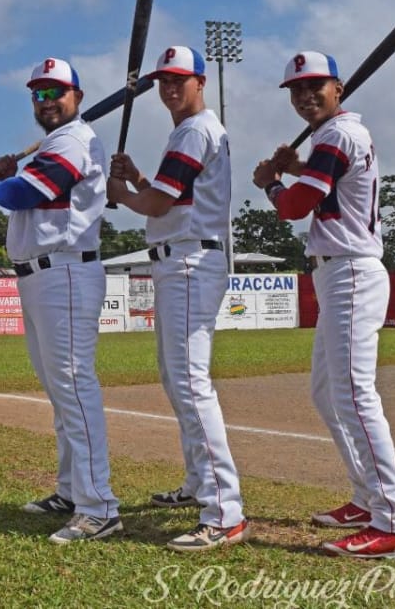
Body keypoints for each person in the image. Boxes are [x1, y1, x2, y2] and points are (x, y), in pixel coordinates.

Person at [253, 51, 395, 560]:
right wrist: (296, 166)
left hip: (349, 269)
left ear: (338, 88)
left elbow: (296, 207)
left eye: (315, 86)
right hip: (338, 272)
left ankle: (394, 524)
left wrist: (273, 183)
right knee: (327, 392)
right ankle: (368, 498)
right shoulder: (335, 139)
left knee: (352, 394)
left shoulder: (338, 134)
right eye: (297, 90)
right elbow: (329, 187)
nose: (305, 96)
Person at [0, 58, 121, 543]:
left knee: (75, 388)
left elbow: (21, 194)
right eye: (39, 94)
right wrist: (6, 174)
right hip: (42, 275)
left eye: (57, 92)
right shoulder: (58, 142)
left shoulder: (74, 140)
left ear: (77, 96)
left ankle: (99, 507)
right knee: (61, 393)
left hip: (67, 271)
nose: (48, 101)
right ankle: (72, 490)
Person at [106, 47, 248, 552]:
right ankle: (198, 482)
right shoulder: (191, 132)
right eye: (163, 81)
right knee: (177, 376)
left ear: (200, 82)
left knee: (189, 380)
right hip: (182, 256)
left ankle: (224, 510)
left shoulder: (194, 131)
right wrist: (137, 181)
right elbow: (169, 197)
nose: (169, 88)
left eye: (178, 80)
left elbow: (158, 204)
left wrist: (120, 191)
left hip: (190, 260)